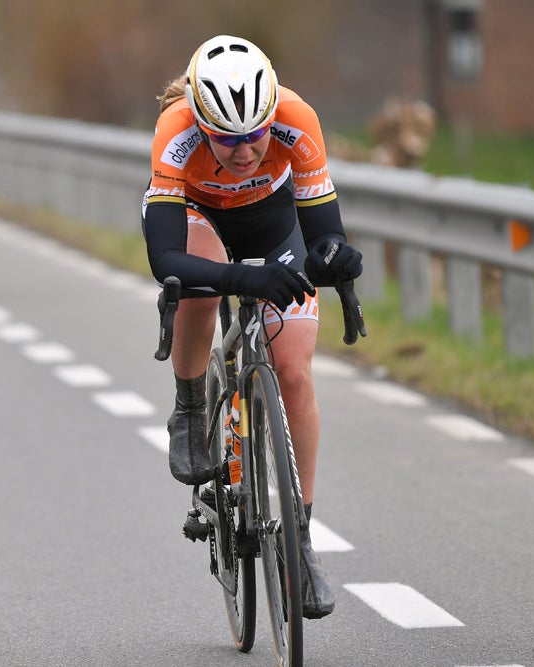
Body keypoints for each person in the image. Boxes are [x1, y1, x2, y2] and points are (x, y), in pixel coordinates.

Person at [142, 35, 363, 619]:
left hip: (272, 220)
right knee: (200, 284)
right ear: (201, 122)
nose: (243, 151)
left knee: (293, 371)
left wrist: (335, 257)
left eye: (254, 135)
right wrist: (243, 280)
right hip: (197, 216)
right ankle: (190, 406)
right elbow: (164, 260)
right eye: (226, 138)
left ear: (272, 115)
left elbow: (323, 233)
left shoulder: (297, 119)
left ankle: (303, 539)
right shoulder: (176, 129)